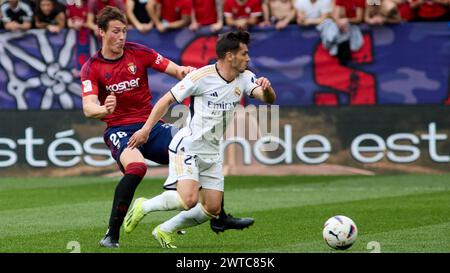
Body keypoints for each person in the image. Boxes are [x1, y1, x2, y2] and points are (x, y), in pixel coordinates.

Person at [80, 6, 255, 248]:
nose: (122, 37)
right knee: (137, 167)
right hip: (120, 129)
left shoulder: (139, 52)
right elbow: (89, 108)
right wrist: (105, 110)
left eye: (124, 32)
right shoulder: (92, 67)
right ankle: (112, 232)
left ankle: (219, 217)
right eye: (116, 32)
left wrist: (184, 71)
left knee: (193, 143)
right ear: (101, 32)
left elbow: (174, 69)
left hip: (151, 126)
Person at [124, 30, 276, 248]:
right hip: (188, 145)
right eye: (244, 53)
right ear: (229, 56)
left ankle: (164, 230)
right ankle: (143, 206)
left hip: (212, 151)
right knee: (188, 200)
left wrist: (267, 88)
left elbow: (268, 99)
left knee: (212, 209)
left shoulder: (245, 78)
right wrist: (147, 129)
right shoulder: (201, 77)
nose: (248, 58)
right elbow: (166, 100)